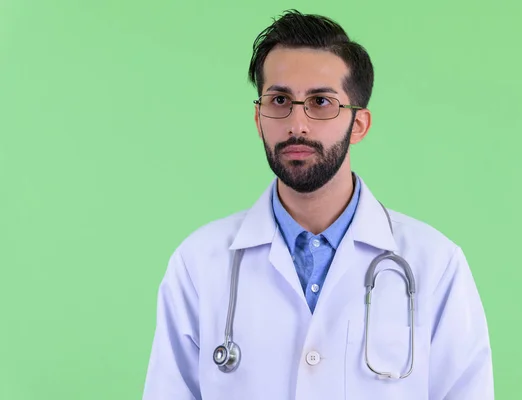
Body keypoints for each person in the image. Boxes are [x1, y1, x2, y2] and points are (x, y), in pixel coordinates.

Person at [142, 9, 494, 400]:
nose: (297, 124)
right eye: (279, 100)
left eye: (321, 102)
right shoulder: (198, 263)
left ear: (358, 124)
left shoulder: (435, 264)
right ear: (259, 118)